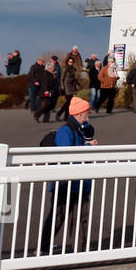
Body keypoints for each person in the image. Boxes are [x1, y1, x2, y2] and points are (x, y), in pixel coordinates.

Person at [38, 96, 98, 253]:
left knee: (80, 217)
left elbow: (75, 149)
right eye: (87, 113)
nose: (88, 115)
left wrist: (87, 144)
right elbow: (66, 154)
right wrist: (87, 147)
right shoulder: (66, 131)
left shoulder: (78, 129)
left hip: (78, 182)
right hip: (66, 183)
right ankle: (44, 248)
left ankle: (80, 249)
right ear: (79, 114)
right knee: (59, 216)